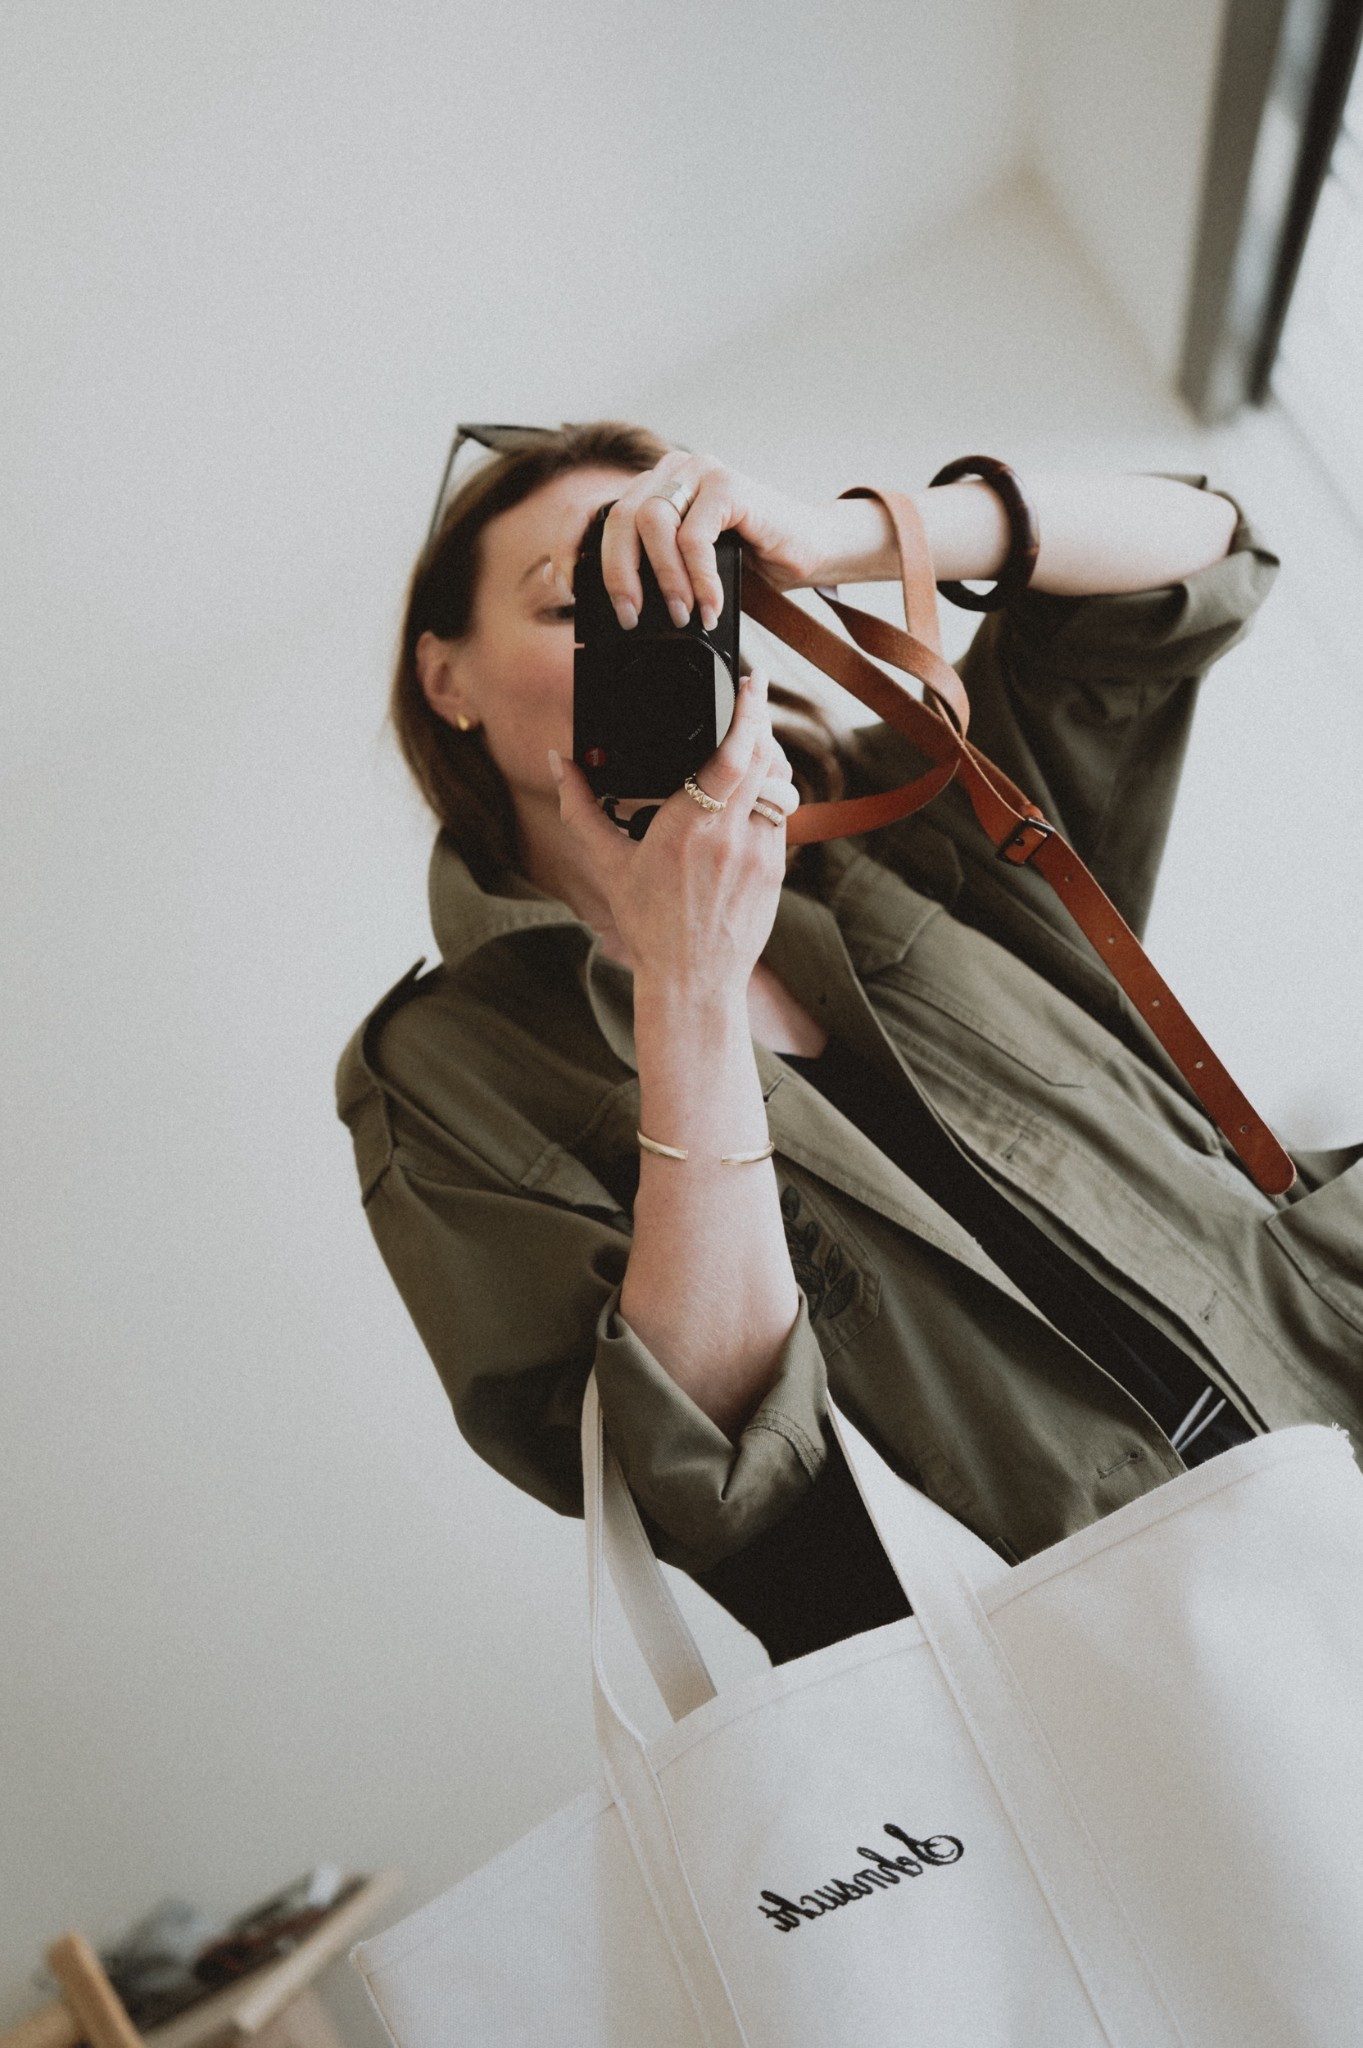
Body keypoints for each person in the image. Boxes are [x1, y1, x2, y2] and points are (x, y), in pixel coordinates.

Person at [336, 420, 1363, 1666]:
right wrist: (688, 983)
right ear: (445, 677)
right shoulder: (444, 1070)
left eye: (669, 585)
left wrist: (841, 538)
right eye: (578, 603)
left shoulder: (916, 811)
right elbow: (703, 1465)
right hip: (1123, 1653)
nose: (634, 638)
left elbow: (1205, 555)